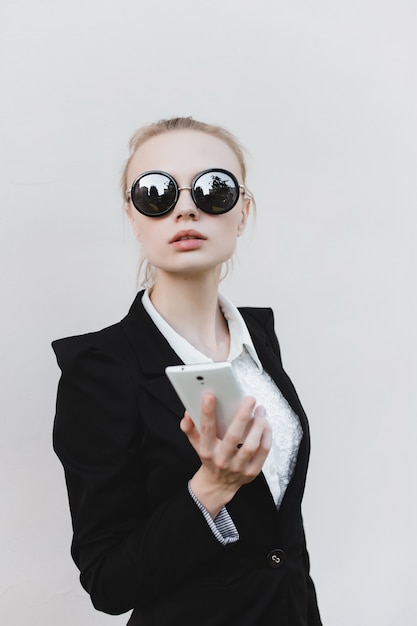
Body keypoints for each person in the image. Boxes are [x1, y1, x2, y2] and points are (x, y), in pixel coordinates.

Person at [52, 116, 323, 626]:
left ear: (243, 212)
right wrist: (211, 488)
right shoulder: (101, 371)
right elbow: (108, 582)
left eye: (213, 189)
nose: (186, 208)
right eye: (156, 193)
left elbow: (278, 543)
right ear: (133, 217)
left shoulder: (258, 341)